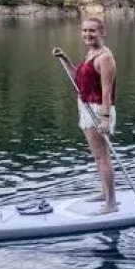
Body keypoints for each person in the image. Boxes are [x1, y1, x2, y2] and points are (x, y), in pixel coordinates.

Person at [52, 17, 119, 213]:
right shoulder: (91, 53)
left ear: (102, 32)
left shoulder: (105, 57)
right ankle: (104, 192)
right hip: (86, 107)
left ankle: (111, 202)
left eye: (92, 31)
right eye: (84, 31)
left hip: (98, 110)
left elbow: (107, 92)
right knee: (98, 156)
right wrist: (64, 58)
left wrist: (105, 120)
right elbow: (77, 79)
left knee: (102, 157)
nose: (87, 35)